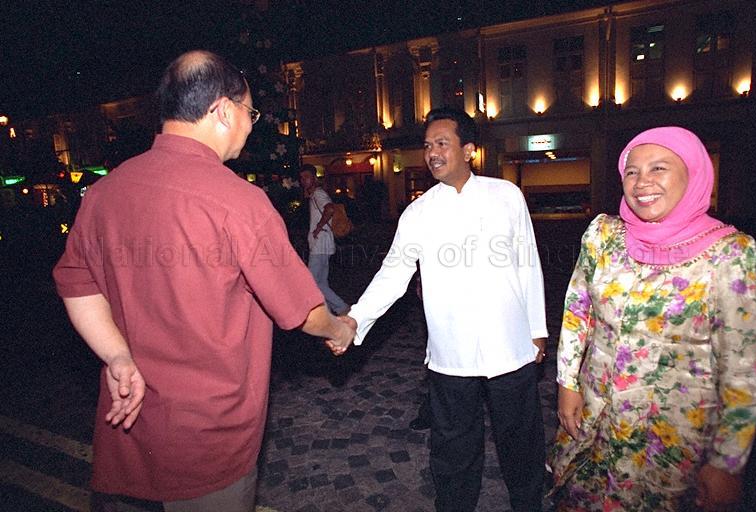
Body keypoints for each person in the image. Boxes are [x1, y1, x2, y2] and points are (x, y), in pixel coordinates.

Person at [52, 50, 354, 511]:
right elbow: (304, 311)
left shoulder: (105, 191)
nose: (251, 126)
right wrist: (340, 330)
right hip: (208, 445)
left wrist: (117, 355)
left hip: (129, 438)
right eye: (250, 113)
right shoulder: (238, 201)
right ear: (222, 110)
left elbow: (77, 284)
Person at [337, 107, 549, 512]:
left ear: (469, 149)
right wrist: (354, 320)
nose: (432, 153)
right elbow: (393, 272)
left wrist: (536, 327)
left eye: (442, 143)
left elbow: (528, 263)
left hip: (510, 346)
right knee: (452, 447)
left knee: (520, 439)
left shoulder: (506, 195)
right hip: (451, 355)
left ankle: (528, 503)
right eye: (428, 145)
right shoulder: (418, 213)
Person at [549, 126, 756, 511]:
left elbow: (745, 366)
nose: (642, 182)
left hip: (673, 437)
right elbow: (578, 308)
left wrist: (727, 462)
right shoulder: (603, 236)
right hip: (596, 416)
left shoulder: (731, 255)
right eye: (631, 171)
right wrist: (567, 382)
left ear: (693, 174)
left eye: (659, 168)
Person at [299, 163, 350, 315]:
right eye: (302, 178)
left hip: (320, 243)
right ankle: (335, 310)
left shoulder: (319, 194)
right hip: (322, 242)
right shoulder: (315, 194)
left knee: (311, 282)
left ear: (314, 178)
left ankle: (334, 309)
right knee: (320, 282)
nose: (304, 181)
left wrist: (318, 228)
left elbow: (330, 208)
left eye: (307, 177)